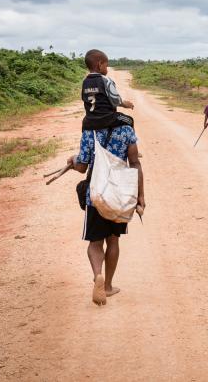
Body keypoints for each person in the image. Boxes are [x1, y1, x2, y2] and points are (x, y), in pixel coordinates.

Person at [67, 123, 145, 306]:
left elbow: (82, 166)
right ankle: (108, 286)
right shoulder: (126, 129)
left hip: (96, 196)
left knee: (95, 243)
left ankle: (98, 276)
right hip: (119, 196)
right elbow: (135, 163)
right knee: (113, 239)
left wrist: (73, 160)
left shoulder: (90, 130)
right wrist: (140, 195)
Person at [81, 49, 135, 131]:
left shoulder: (85, 81)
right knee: (129, 120)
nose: (107, 69)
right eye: (106, 66)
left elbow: (84, 98)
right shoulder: (106, 80)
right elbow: (116, 100)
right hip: (108, 118)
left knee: (84, 123)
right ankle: (131, 143)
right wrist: (125, 104)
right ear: (100, 64)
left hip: (90, 120)